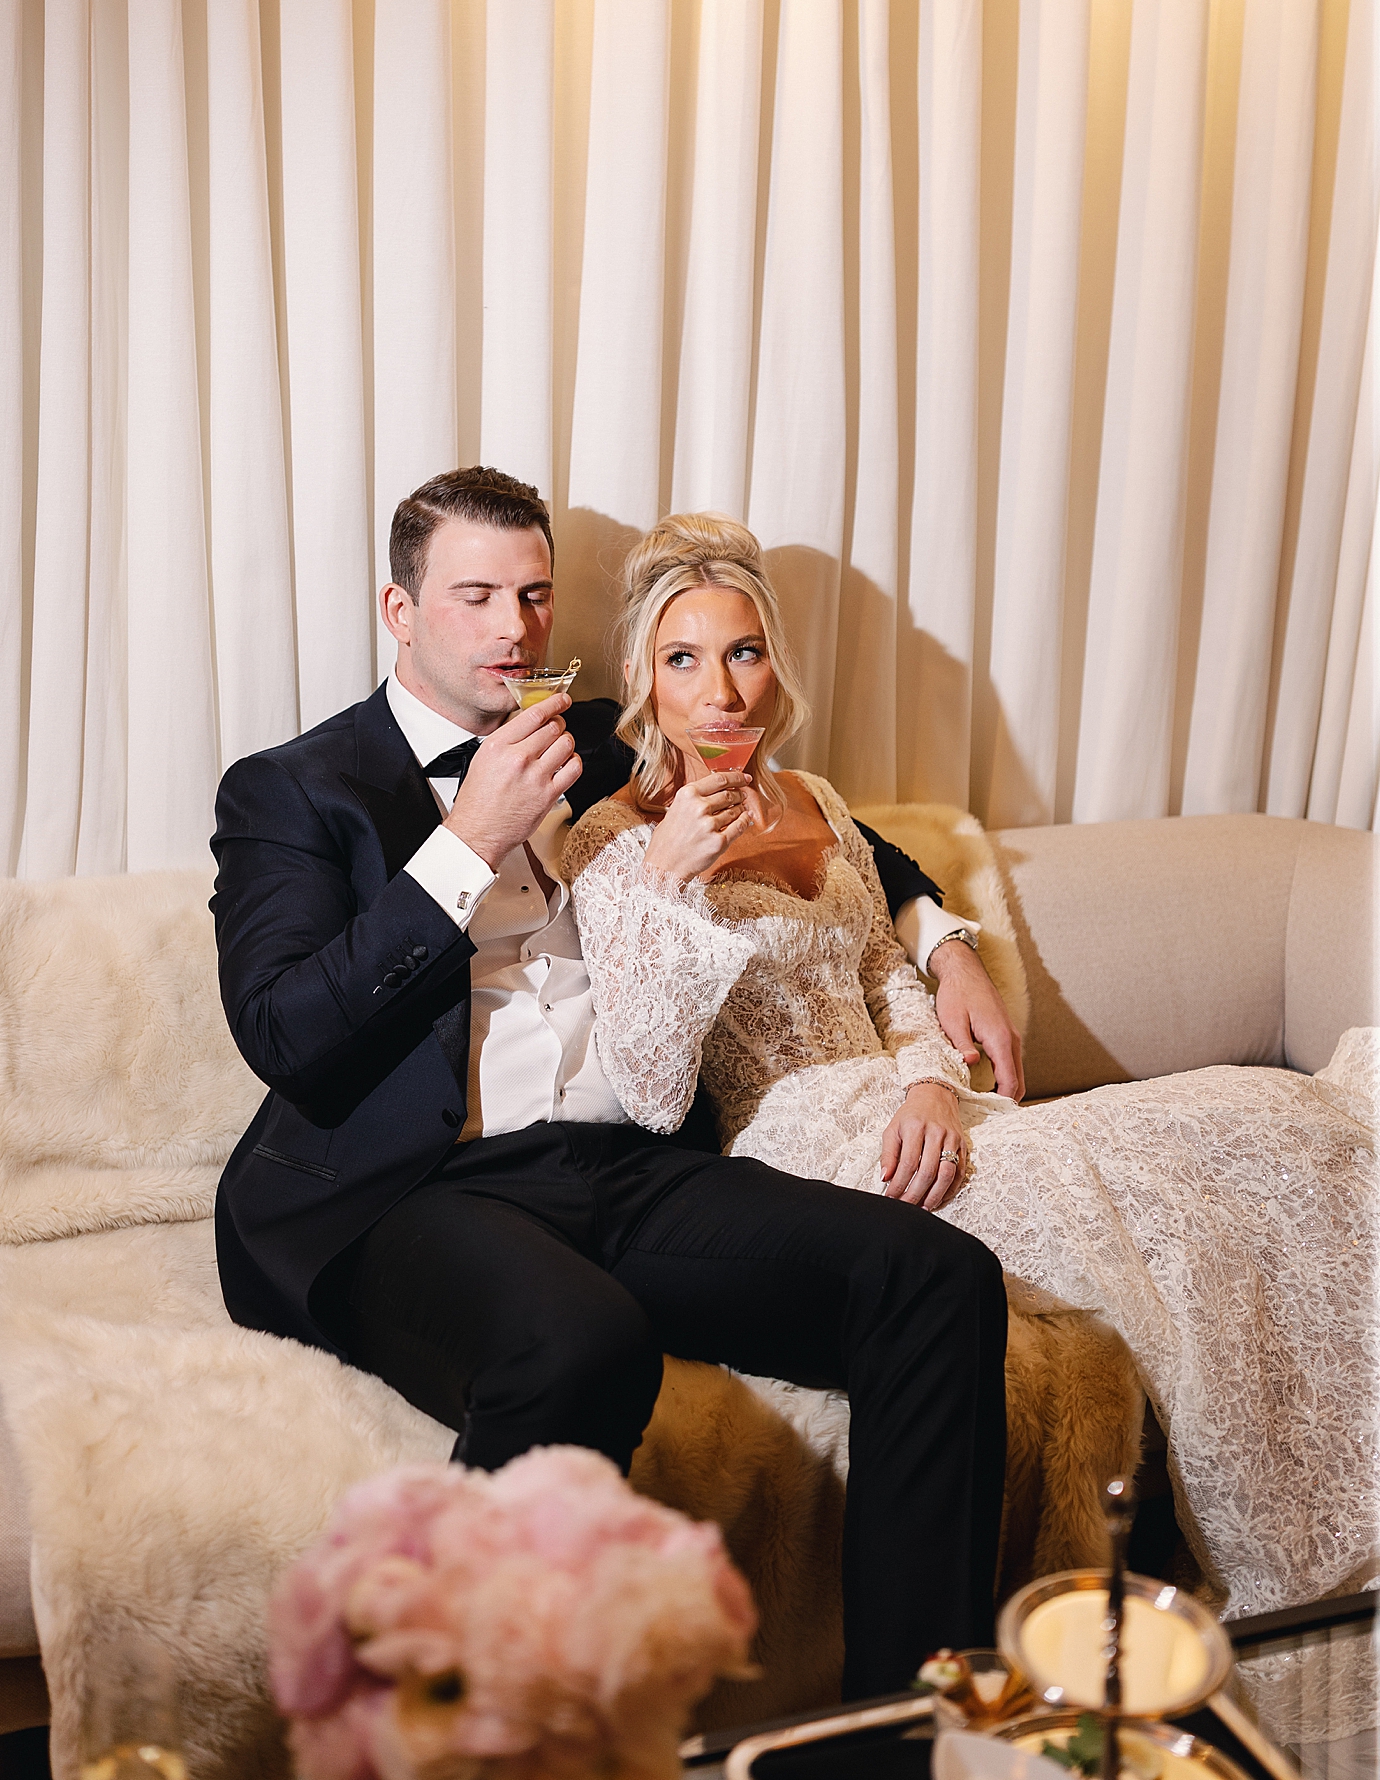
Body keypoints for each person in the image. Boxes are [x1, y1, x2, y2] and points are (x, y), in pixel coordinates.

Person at [209, 467, 1008, 1698]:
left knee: (935, 1277)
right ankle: (464, 1730)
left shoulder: (593, 742)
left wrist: (939, 930)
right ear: (399, 609)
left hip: (622, 1161)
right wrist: (465, 844)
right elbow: (285, 1034)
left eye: (531, 596)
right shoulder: (293, 789)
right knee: (585, 1343)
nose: (513, 630)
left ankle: (903, 1726)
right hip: (411, 1187)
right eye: (473, 595)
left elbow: (825, 821)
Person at [561, 513, 1377, 1625]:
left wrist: (935, 1079)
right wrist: (666, 885)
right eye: (684, 660)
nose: (723, 692)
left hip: (924, 1101)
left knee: (1267, 1116)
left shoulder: (819, 806)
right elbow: (651, 1094)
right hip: (805, 1148)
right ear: (641, 683)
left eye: (744, 651)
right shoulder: (607, 844)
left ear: (774, 664)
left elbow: (889, 975)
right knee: (1136, 1212)